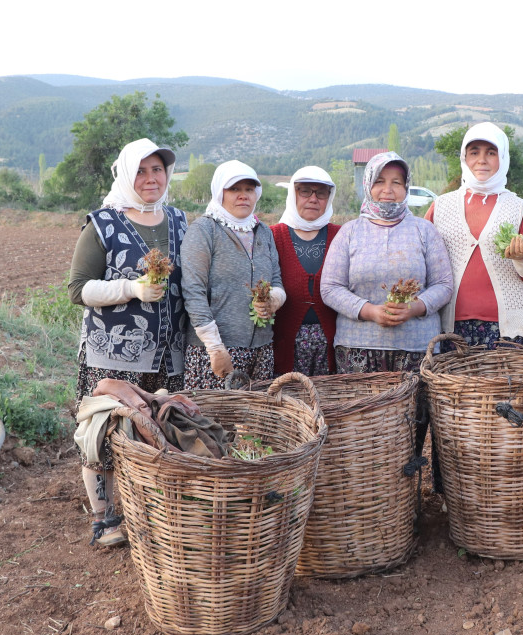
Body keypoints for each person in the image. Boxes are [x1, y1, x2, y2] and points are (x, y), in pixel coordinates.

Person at [68, 137, 188, 546]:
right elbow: (78, 289)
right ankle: (104, 518)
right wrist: (131, 289)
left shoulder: (179, 220)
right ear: (125, 174)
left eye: (158, 170)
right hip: (113, 351)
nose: (151, 178)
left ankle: (150, 514)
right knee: (103, 432)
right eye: (142, 170)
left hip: (168, 351)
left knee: (155, 432)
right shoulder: (103, 222)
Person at [320, 151, 452, 373]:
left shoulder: (424, 230)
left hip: (417, 348)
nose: (388, 190)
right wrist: (370, 311)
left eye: (396, 183)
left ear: (406, 187)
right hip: (357, 347)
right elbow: (330, 288)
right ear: (368, 185)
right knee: (364, 409)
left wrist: (414, 308)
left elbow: (444, 284)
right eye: (379, 182)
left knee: (414, 408)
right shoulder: (350, 232)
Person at [426, 122, 523, 349]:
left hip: (510, 330)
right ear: (464, 158)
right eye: (474, 152)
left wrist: (522, 260)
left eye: (491, 152)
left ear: (503, 158)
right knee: (454, 386)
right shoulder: (440, 207)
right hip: (450, 327)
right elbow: (421, 262)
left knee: (506, 386)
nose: (482, 160)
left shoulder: (520, 209)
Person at [179, 160, 283, 389]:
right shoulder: (205, 230)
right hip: (216, 351)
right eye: (234, 189)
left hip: (261, 349)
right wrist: (215, 347)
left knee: (256, 422)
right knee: (216, 422)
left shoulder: (263, 231)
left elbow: (276, 280)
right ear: (220, 192)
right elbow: (193, 292)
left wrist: (274, 300)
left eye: (249, 189)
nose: (243, 195)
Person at [269, 167, 341, 376]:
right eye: (305, 191)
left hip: (330, 342)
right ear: (293, 194)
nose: (313, 199)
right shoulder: (273, 235)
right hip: (284, 341)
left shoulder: (341, 235)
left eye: (321, 193)